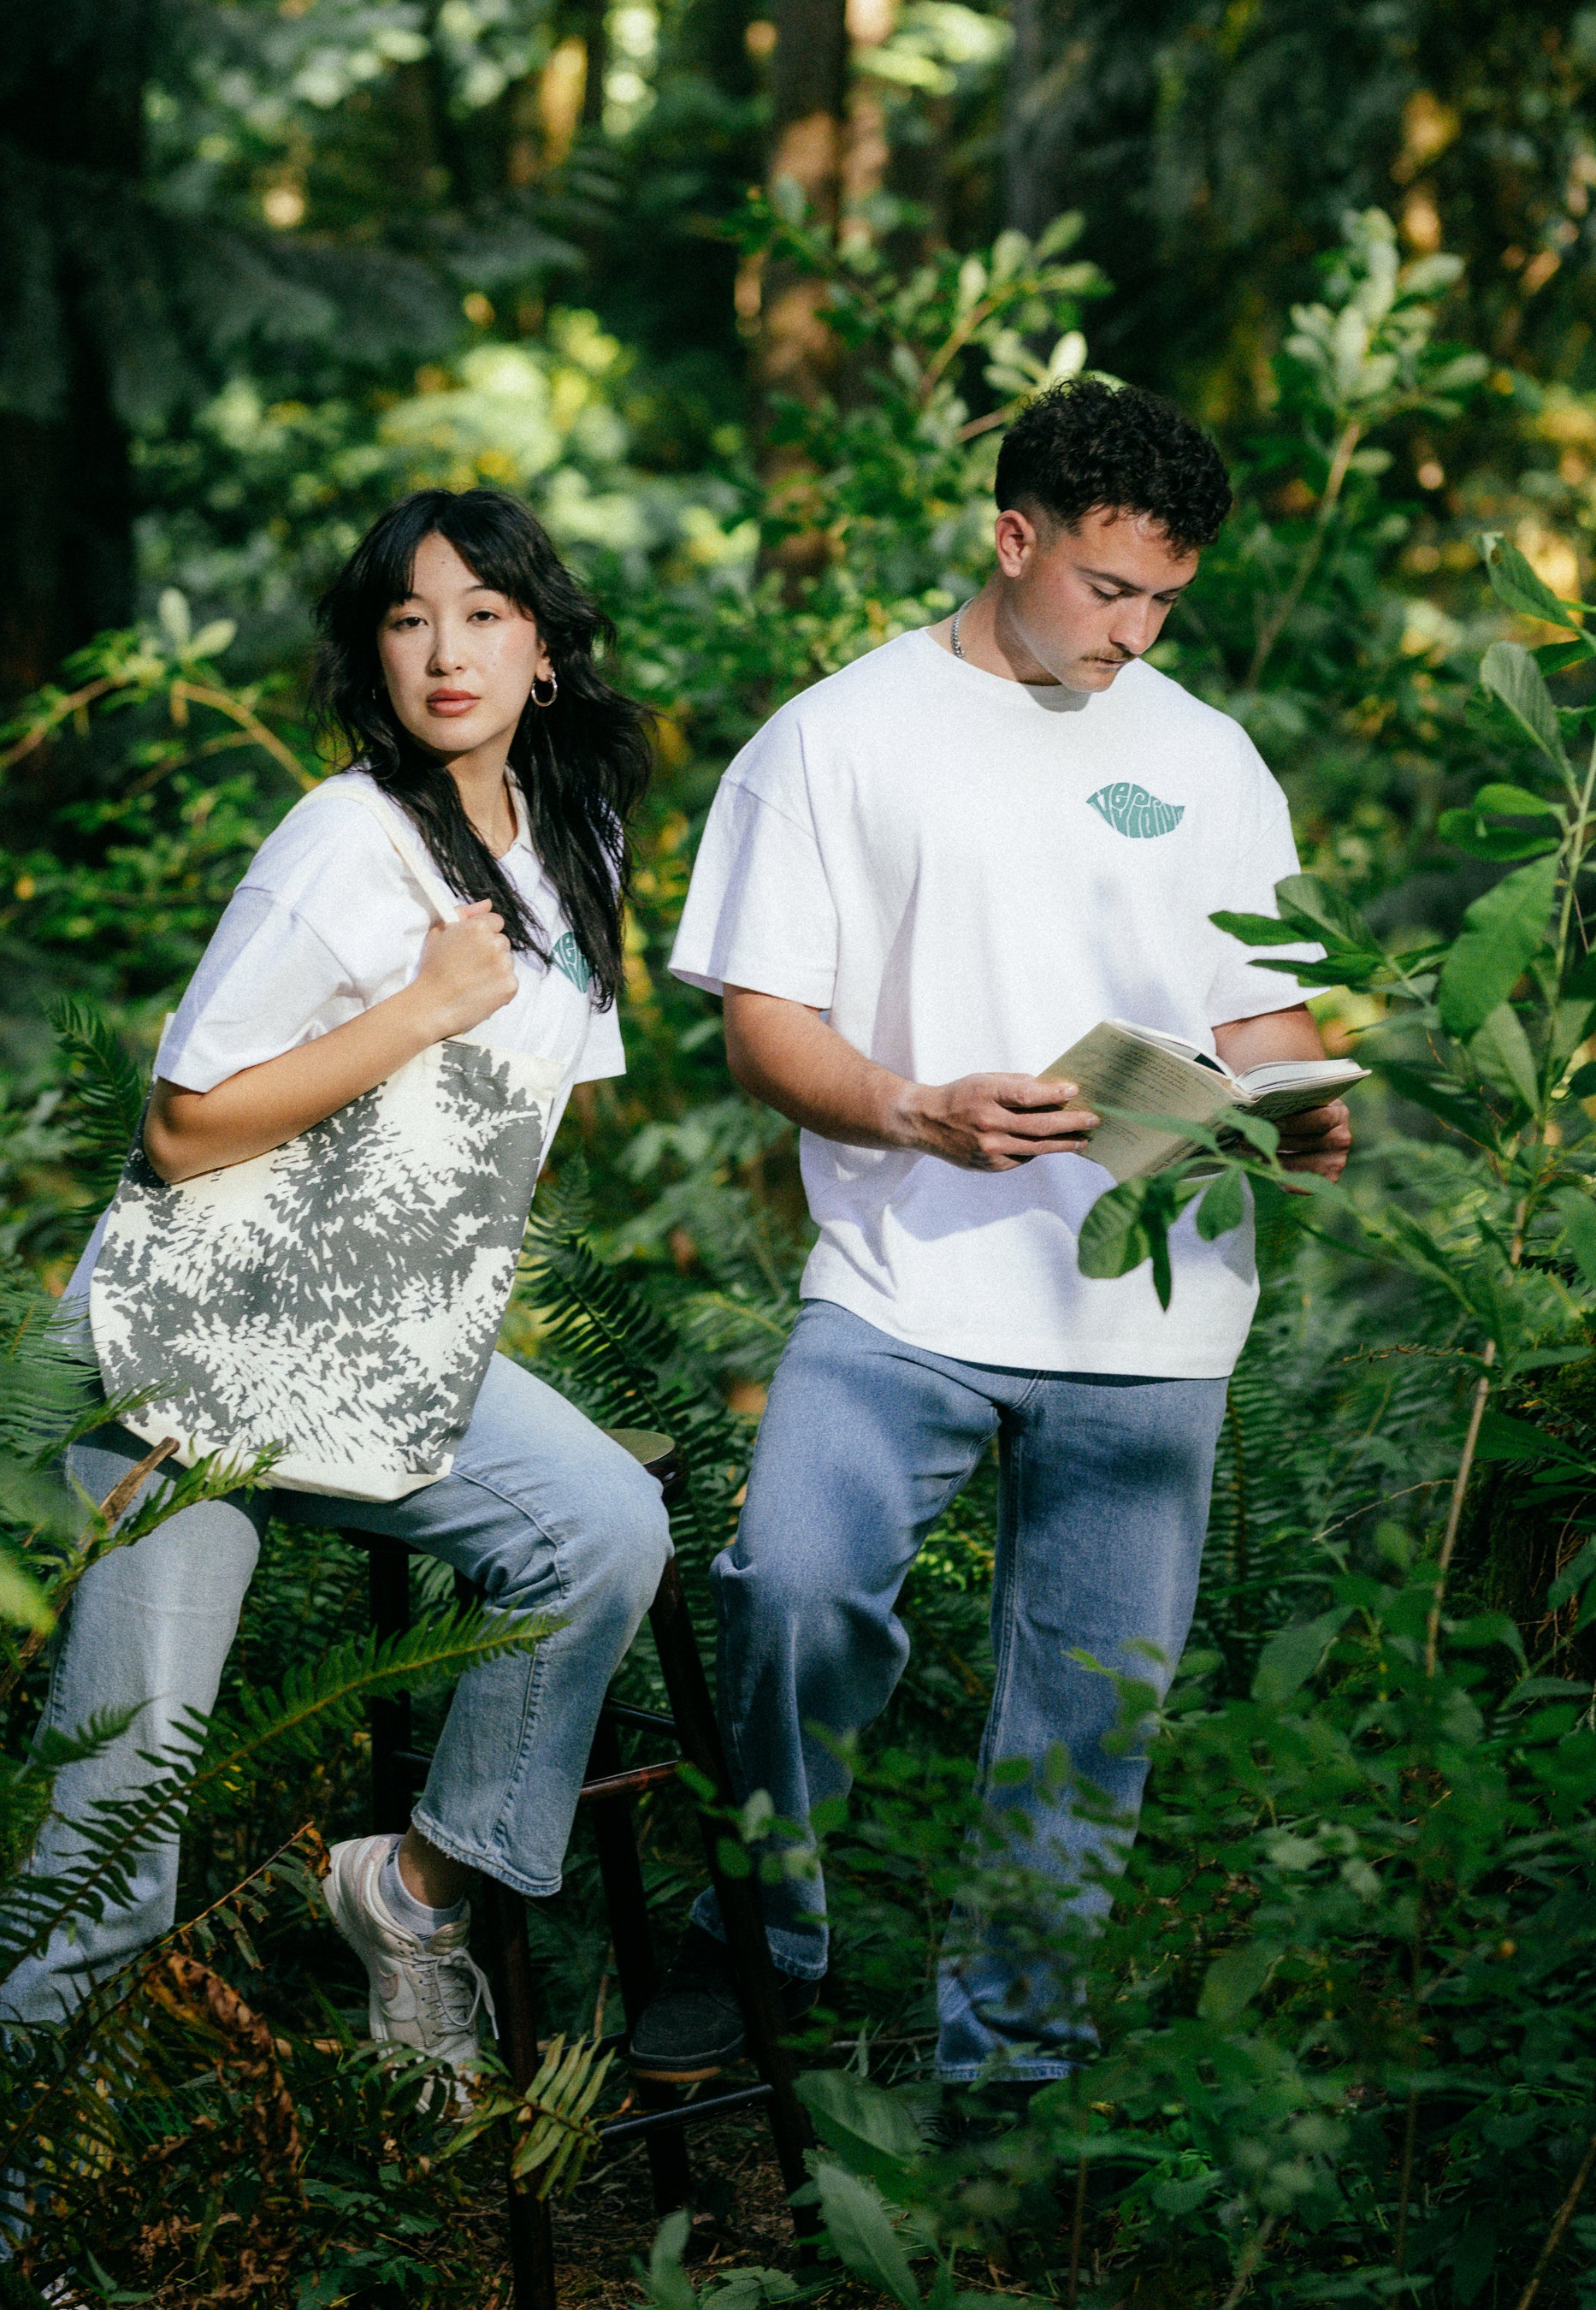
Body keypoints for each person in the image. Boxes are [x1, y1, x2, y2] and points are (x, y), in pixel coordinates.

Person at [627, 379, 1352, 2097]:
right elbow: (763, 1025)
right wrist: (911, 1108)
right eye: (1110, 589)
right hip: (903, 1281)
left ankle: (1006, 2077)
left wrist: (1302, 1106)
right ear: (1013, 537)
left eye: (1167, 599)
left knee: (1091, 1715)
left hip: (1153, 1313)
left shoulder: (1206, 758)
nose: (1137, 630)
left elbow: (1261, 1019)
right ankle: (761, 1946)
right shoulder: (836, 737)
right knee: (793, 1586)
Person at [0, 488, 670, 2091]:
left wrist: (432, 1297)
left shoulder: (580, 843)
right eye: (411, 617)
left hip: (381, 1346)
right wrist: (423, 1005)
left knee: (603, 1532)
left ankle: (408, 1895)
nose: (447, 651)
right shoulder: (341, 840)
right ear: (375, 650)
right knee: (114, 1843)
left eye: (485, 614)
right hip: (191, 1357)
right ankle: (0, 2225)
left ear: (546, 651)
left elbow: (525, 1127)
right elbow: (181, 1124)